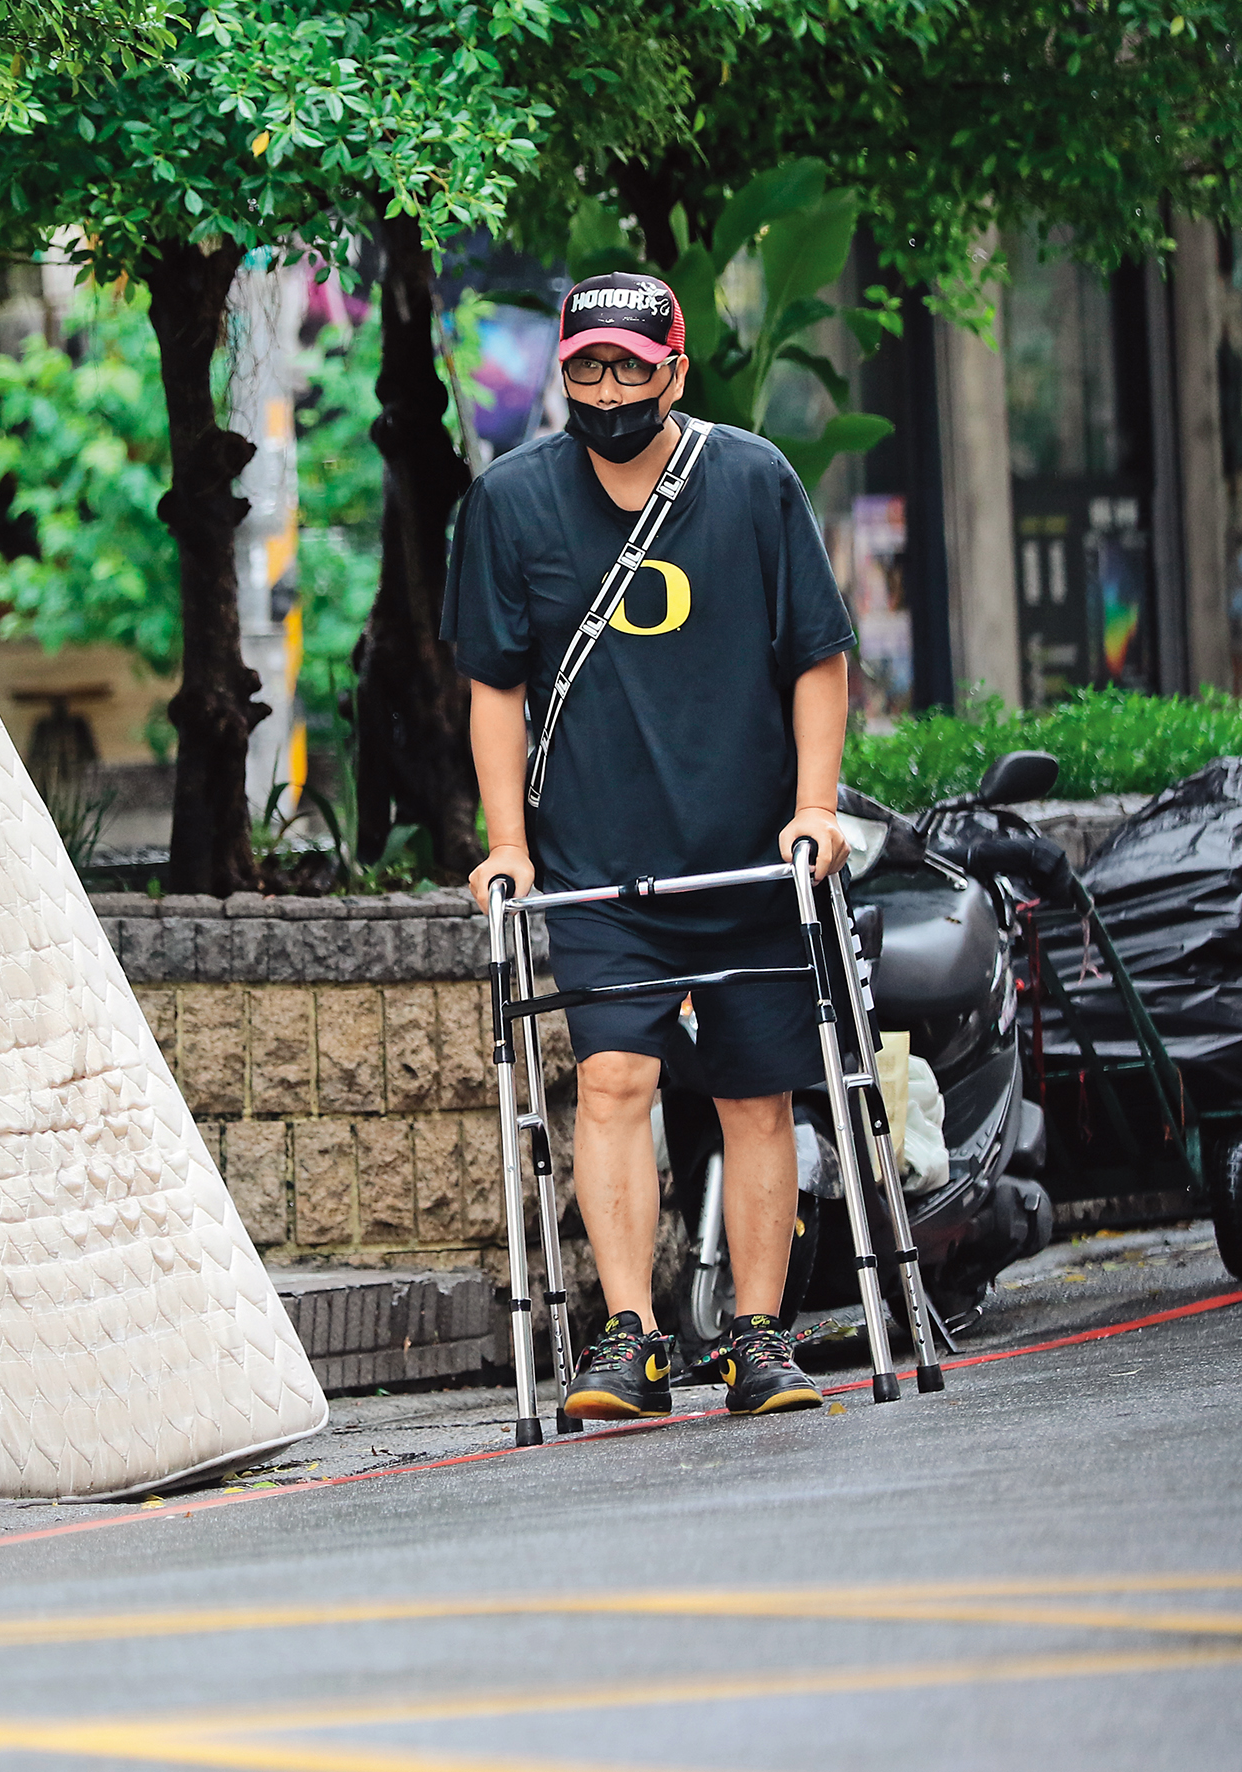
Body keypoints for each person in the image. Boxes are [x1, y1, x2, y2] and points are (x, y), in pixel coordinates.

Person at [443, 270, 854, 1419]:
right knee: (613, 1077)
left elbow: (815, 655)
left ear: (675, 368)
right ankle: (629, 1336)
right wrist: (505, 844)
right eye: (586, 366)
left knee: (754, 1092)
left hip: (742, 853)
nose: (608, 385)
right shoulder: (511, 503)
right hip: (596, 867)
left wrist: (813, 808)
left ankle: (760, 1336)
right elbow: (494, 687)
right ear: (562, 372)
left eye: (630, 365)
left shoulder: (752, 481)